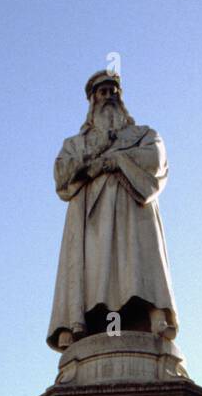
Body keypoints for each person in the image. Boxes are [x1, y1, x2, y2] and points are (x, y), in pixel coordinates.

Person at [47, 71, 179, 351]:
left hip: (133, 208)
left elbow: (155, 160)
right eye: (102, 92)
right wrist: (88, 164)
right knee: (96, 270)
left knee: (138, 260)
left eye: (113, 91)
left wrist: (116, 160)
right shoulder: (76, 144)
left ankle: (155, 312)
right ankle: (77, 323)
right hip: (90, 217)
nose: (108, 96)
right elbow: (61, 175)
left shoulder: (144, 134)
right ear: (92, 100)